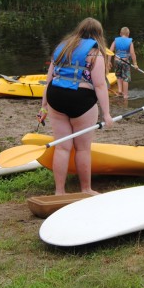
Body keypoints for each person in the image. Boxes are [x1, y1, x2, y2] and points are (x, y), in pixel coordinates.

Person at [38, 18, 115, 195]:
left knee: (62, 147)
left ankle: (59, 191)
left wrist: (43, 107)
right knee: (82, 148)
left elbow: (48, 80)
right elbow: (100, 85)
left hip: (55, 96)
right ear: (98, 34)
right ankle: (86, 189)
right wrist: (107, 113)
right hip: (81, 99)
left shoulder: (62, 48)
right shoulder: (95, 53)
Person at [109, 26, 138, 99]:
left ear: (120, 33)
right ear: (128, 34)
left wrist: (108, 61)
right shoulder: (130, 42)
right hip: (125, 62)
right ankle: (125, 95)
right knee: (125, 78)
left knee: (118, 76)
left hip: (116, 61)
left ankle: (119, 91)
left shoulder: (116, 40)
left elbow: (110, 51)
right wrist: (135, 64)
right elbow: (132, 53)